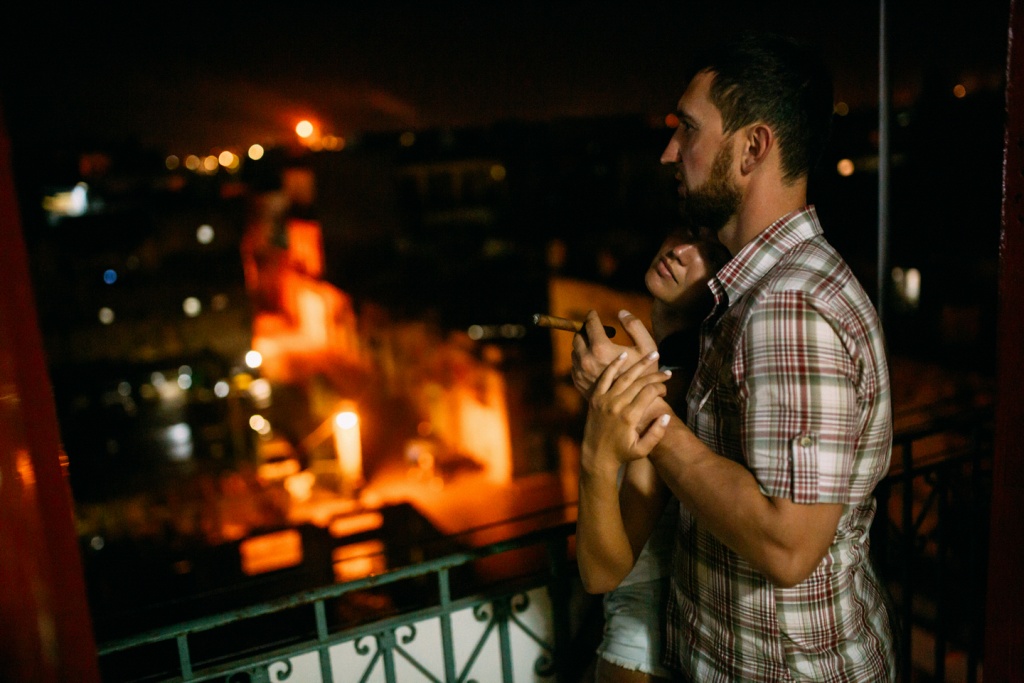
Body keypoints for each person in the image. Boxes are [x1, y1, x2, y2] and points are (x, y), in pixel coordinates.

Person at [572, 31, 897, 682]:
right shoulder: (757, 293)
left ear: (752, 148)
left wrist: (643, 411)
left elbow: (787, 546)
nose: (669, 152)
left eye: (688, 129)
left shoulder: (787, 306)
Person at [576, 230, 729, 683]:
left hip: (642, 651)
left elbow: (602, 573)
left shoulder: (668, 392)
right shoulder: (666, 377)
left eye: (709, 253)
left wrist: (596, 445)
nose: (681, 252)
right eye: (688, 233)